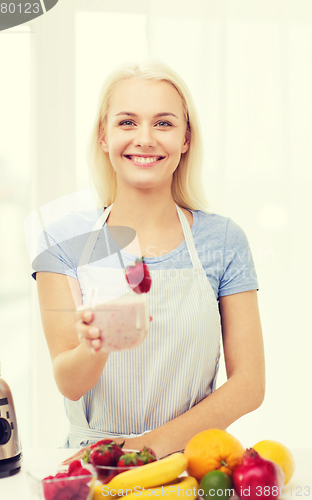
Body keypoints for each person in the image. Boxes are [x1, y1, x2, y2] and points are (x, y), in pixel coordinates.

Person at [33, 60, 265, 460]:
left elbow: (249, 384)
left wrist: (143, 450)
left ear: (186, 138)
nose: (145, 138)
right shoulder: (62, 242)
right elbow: (69, 383)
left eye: (163, 123)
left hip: (189, 465)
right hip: (94, 466)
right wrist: (97, 344)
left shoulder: (224, 240)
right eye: (127, 122)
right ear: (104, 137)